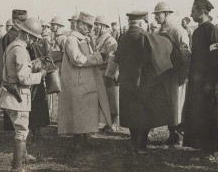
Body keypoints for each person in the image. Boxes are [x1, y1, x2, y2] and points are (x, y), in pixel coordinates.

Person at [182, 0, 218, 156]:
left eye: (193, 11)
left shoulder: (212, 31)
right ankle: (204, 147)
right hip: (198, 81)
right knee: (200, 114)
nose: (190, 14)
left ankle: (213, 150)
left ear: (202, 12)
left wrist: (210, 82)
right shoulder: (197, 31)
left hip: (210, 81)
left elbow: (217, 59)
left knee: (212, 115)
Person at [114, 11, 178, 155]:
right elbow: (161, 48)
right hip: (141, 83)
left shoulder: (122, 37)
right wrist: (166, 36)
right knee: (143, 114)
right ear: (142, 23)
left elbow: (117, 59)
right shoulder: (144, 37)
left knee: (131, 114)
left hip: (126, 83)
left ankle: (134, 143)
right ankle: (141, 147)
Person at [0, 18, 49, 172]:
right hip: (19, 97)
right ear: (27, 35)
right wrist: (40, 75)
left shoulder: (12, 45)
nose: (34, 41)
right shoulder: (21, 50)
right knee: (22, 132)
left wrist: (31, 65)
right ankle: (17, 168)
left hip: (9, 95)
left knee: (19, 130)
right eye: (34, 37)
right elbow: (23, 78)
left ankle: (21, 160)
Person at [58, 12, 111, 150]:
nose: (90, 29)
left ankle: (85, 139)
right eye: (88, 26)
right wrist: (99, 56)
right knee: (78, 111)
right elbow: (77, 59)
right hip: (77, 82)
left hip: (86, 81)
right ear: (80, 24)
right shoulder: (72, 39)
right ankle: (77, 142)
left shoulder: (85, 39)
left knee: (87, 110)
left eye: (91, 26)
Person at [153, 2, 191, 147]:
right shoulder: (160, 30)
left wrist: (184, 74)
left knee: (178, 104)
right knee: (169, 105)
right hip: (164, 74)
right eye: (156, 14)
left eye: (158, 14)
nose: (156, 17)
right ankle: (172, 134)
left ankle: (180, 136)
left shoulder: (177, 30)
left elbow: (186, 53)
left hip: (176, 73)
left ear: (167, 14)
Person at [94, 15, 120, 132]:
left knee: (112, 99)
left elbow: (113, 59)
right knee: (103, 99)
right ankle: (106, 122)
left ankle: (114, 123)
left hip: (108, 74)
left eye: (97, 25)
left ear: (104, 27)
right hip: (100, 72)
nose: (95, 28)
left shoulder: (110, 40)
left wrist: (109, 75)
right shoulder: (98, 39)